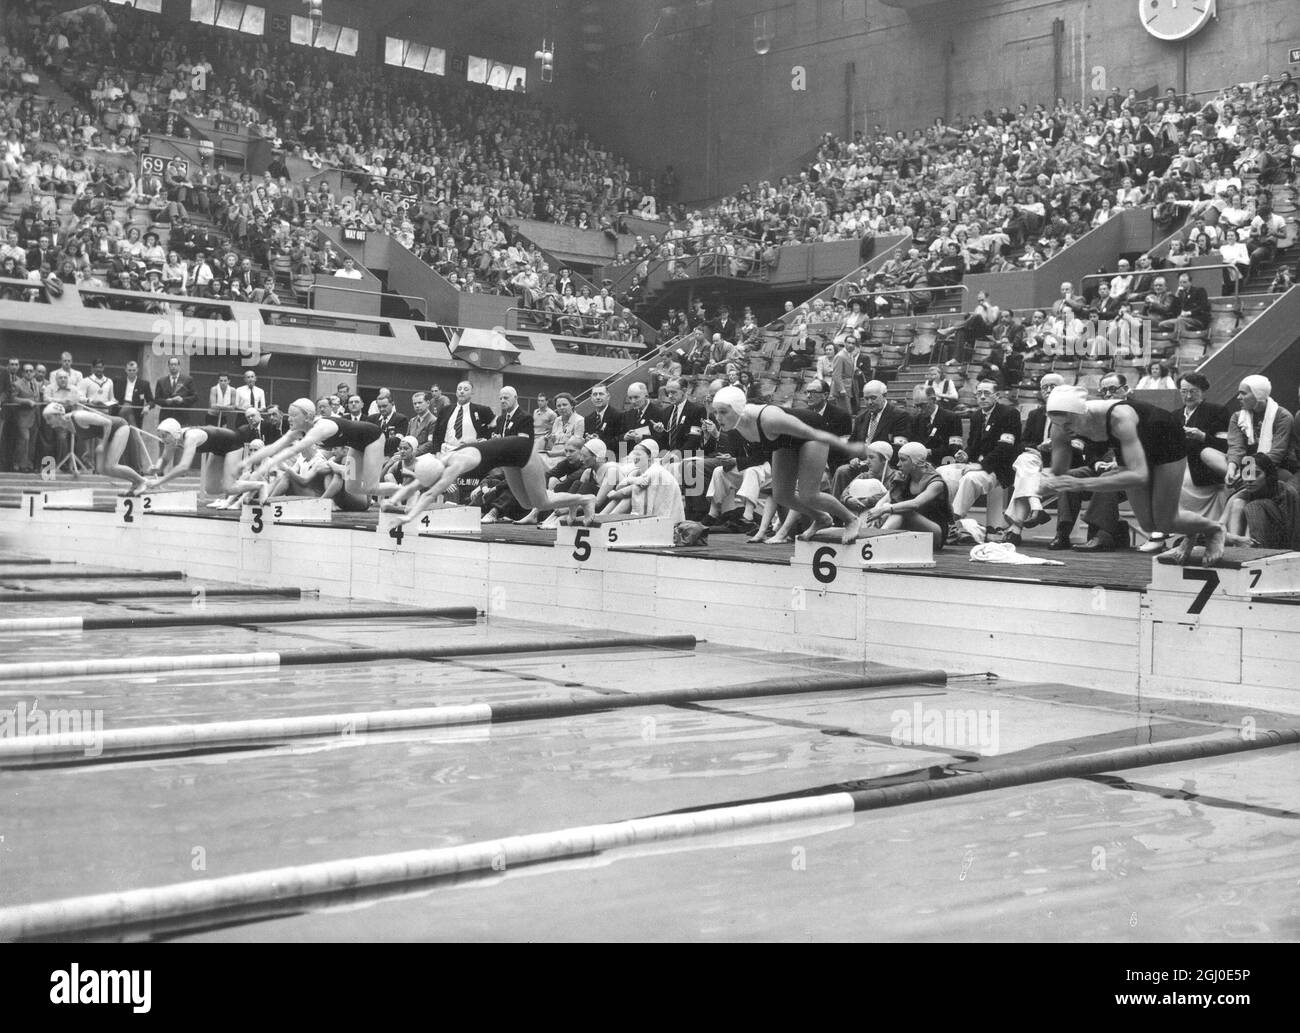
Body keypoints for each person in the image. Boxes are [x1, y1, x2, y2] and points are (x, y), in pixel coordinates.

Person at [1041, 385, 1226, 564]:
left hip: (1165, 437)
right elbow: (1058, 472)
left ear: (1084, 412)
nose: (1065, 430)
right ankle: (1191, 531)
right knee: (1148, 524)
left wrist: (1081, 484)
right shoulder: (1060, 424)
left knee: (1166, 521)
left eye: (1069, 423)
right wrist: (1046, 482)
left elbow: (1139, 476)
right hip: (1128, 444)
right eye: (1059, 425)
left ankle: (1215, 530)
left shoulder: (1119, 417)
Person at [708, 385, 871, 545]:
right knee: (782, 495)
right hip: (784, 442)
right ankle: (821, 518)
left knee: (809, 495)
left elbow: (813, 433)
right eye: (715, 412)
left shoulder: (769, 419)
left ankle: (850, 520)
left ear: (737, 409)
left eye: (723, 412)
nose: (718, 417)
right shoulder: (735, 426)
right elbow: (758, 454)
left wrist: (848, 447)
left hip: (812, 434)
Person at [386, 436, 601, 528]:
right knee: (526, 504)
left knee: (541, 501)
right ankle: (573, 501)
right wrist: (393, 501)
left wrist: (408, 518)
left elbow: (429, 494)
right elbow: (418, 484)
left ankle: (585, 499)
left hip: (523, 451)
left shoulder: (456, 465)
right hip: (508, 458)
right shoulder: (437, 461)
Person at [240, 398, 386, 498]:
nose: (289, 419)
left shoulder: (320, 428)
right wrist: (245, 462)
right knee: (352, 488)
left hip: (373, 438)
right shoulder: (299, 429)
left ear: (308, 416)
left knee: (370, 488)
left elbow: (293, 450)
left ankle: (404, 491)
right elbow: (273, 447)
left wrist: (262, 468)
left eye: (294, 416)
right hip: (357, 445)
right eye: (288, 415)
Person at [864, 440, 952, 550]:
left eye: (903, 460)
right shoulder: (903, 476)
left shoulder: (936, 483)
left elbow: (915, 504)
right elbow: (887, 498)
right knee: (888, 511)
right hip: (915, 531)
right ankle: (873, 538)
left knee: (902, 511)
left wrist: (884, 510)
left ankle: (875, 542)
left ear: (916, 462)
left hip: (935, 533)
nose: (898, 464)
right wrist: (876, 512)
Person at [41, 403, 147, 492]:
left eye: (49, 418)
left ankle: (142, 481)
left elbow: (107, 423)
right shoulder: (67, 425)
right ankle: (135, 482)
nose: (47, 422)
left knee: (112, 465)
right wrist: (88, 451)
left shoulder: (79, 416)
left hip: (119, 427)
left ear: (58, 415)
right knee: (102, 469)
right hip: (107, 434)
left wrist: (103, 444)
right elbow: (89, 433)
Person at [148, 419, 252, 500]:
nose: (162, 439)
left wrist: (159, 482)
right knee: (211, 489)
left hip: (233, 444)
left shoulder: (191, 437)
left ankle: (258, 484)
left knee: (229, 487)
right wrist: (157, 467)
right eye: (160, 436)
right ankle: (239, 481)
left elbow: (183, 467)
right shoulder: (172, 439)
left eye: (164, 436)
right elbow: (165, 458)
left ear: (174, 434)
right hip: (217, 449)